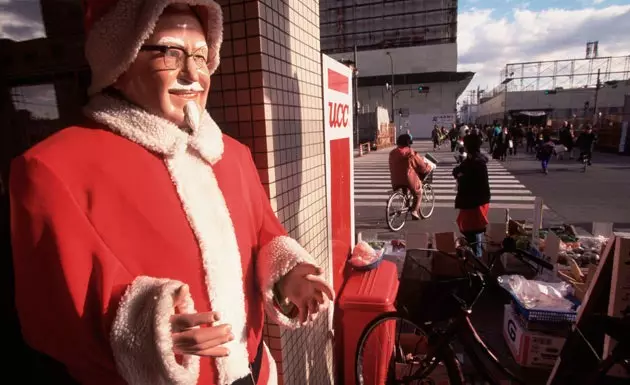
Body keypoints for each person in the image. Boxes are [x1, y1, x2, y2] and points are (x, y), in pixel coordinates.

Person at [9, 2, 333, 385]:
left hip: (255, 370)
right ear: (119, 60)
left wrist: (287, 272)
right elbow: (52, 318)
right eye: (170, 52)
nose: (194, 73)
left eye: (200, 54)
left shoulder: (233, 155)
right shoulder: (52, 169)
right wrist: (150, 330)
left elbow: (263, 232)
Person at [452, 133, 491, 258]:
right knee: (472, 230)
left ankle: (477, 261)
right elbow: (457, 170)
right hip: (473, 200)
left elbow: (469, 179)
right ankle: (476, 256)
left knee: (472, 231)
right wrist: (459, 173)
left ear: (468, 146)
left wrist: (461, 176)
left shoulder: (477, 162)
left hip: (474, 201)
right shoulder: (473, 159)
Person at [389, 134, 433, 220]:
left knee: (404, 191)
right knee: (418, 194)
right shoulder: (411, 153)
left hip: (395, 179)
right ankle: (414, 211)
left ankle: (406, 205)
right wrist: (429, 167)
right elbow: (422, 167)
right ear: (408, 143)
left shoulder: (392, 153)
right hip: (409, 179)